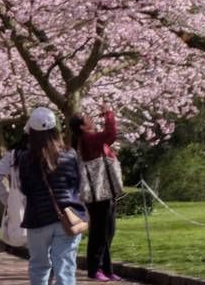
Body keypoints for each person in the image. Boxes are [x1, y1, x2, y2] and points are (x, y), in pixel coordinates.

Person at [13, 106, 85, 285]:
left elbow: (25, 188)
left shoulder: (25, 158)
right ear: (55, 129)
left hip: (37, 218)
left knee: (39, 265)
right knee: (65, 266)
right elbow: (76, 184)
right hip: (67, 215)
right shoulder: (69, 154)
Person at [73, 107, 122, 281]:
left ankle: (106, 268)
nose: (91, 118)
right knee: (100, 232)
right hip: (98, 192)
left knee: (108, 231)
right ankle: (95, 269)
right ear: (81, 126)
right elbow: (110, 134)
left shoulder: (90, 139)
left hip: (105, 191)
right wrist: (109, 114)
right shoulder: (87, 139)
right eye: (86, 118)